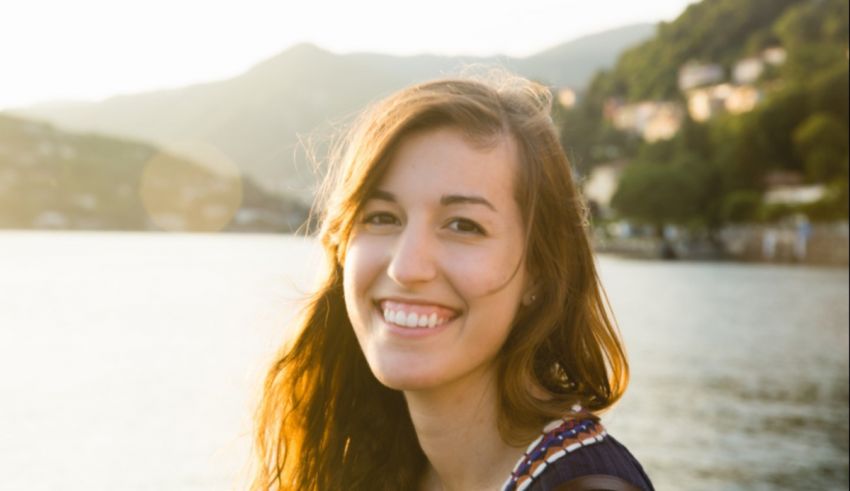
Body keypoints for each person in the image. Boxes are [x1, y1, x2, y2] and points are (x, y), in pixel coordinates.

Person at [251, 71, 654, 491]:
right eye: (382, 217)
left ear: (540, 270)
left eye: (463, 225)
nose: (406, 268)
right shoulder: (373, 453)